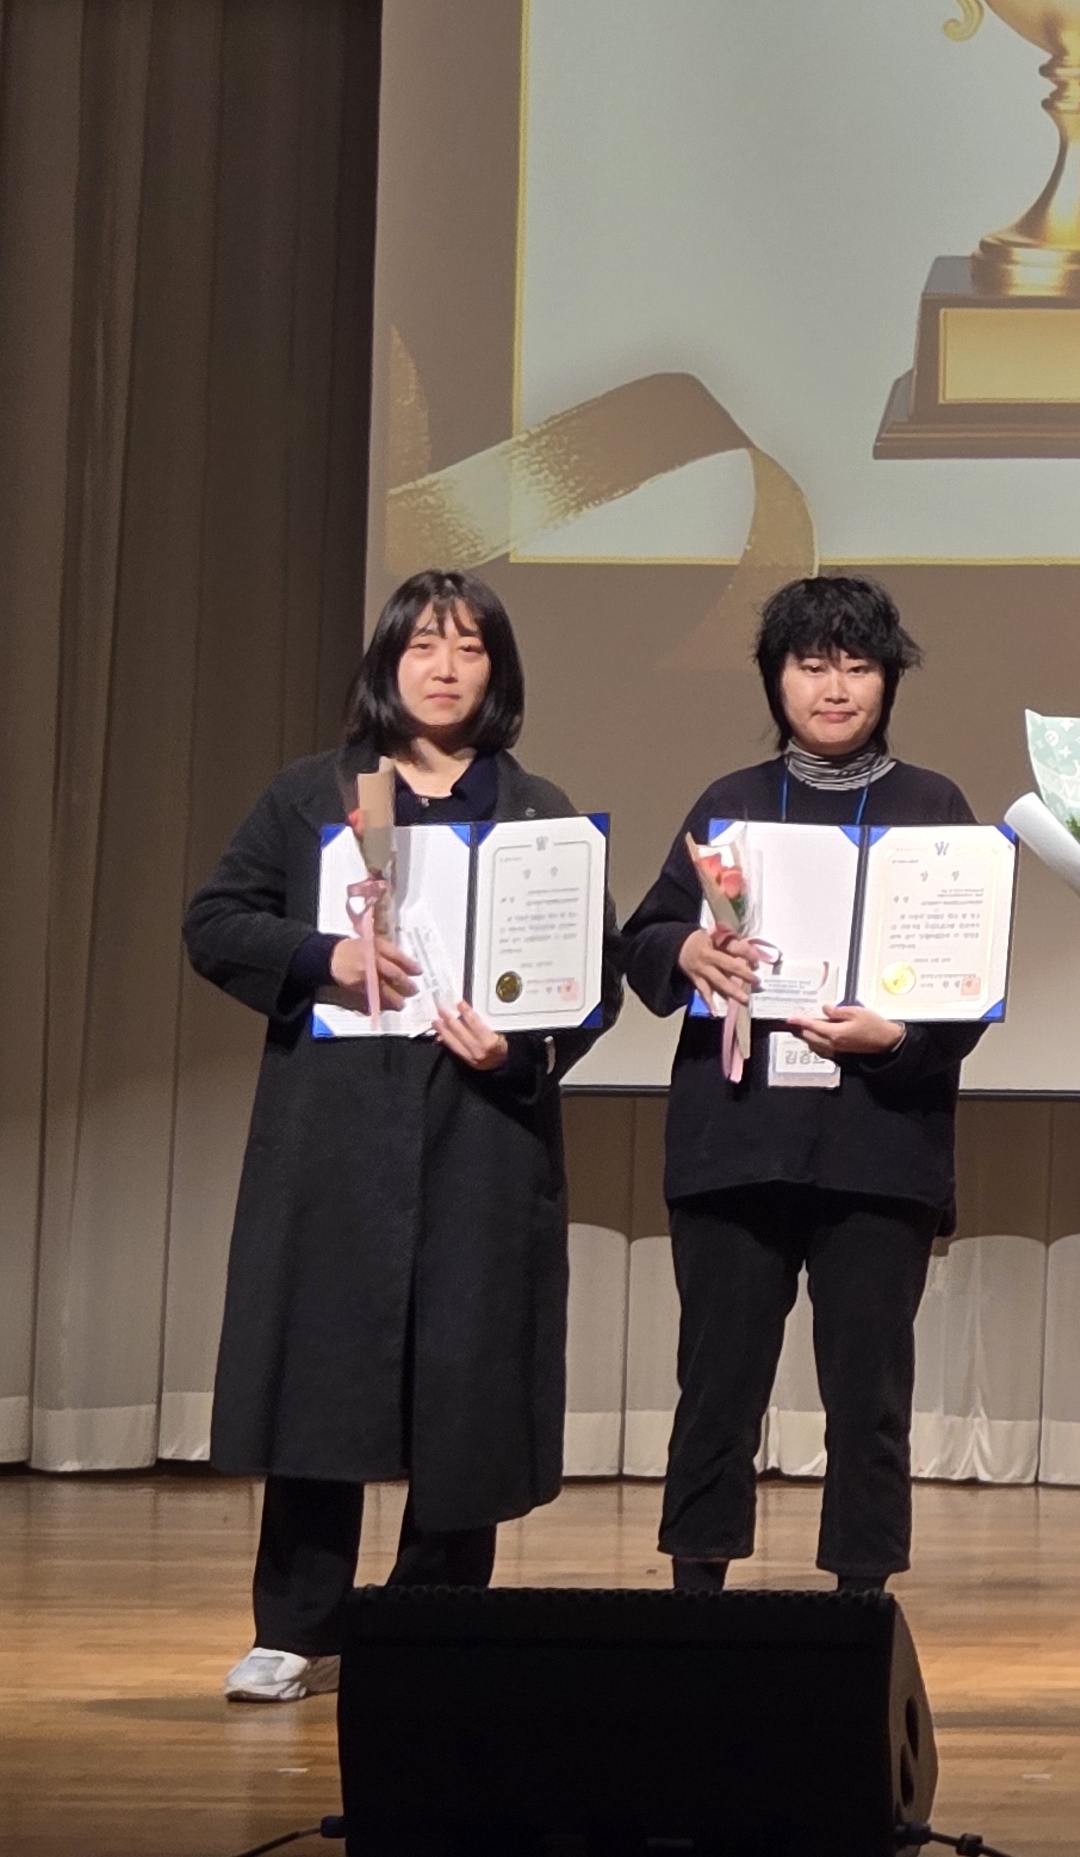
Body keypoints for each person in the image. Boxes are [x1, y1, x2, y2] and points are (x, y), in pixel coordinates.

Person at [185, 569, 614, 1701]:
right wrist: (321, 954)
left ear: (497, 672)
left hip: (482, 1133)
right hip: (335, 1132)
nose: (444, 667)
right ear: (387, 661)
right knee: (319, 1373)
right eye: (423, 644)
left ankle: (434, 1617)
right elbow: (214, 921)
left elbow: (592, 983)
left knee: (467, 1380)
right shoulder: (313, 796)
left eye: (469, 648)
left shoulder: (539, 813)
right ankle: (298, 1627)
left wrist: (516, 1049)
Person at [620, 574, 996, 1600]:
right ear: (775, 678)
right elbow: (645, 942)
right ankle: (696, 1592)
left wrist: (895, 1037)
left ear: (888, 681)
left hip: (877, 1149)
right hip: (736, 1144)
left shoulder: (933, 808)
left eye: (858, 666)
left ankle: (860, 1601)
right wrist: (687, 950)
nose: (835, 688)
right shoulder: (731, 804)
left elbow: (966, 993)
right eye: (812, 665)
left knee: (869, 1395)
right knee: (717, 1387)